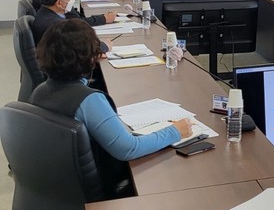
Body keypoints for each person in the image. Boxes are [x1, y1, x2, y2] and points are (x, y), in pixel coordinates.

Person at [30, 19, 192, 196]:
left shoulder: (40, 91)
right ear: (88, 57)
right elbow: (129, 148)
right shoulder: (88, 101)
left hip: (60, 186)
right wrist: (175, 131)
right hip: (97, 193)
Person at [32, 0, 111, 52]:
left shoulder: (44, 12)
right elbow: (79, 51)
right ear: (59, 3)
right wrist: (103, 47)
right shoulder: (57, 26)